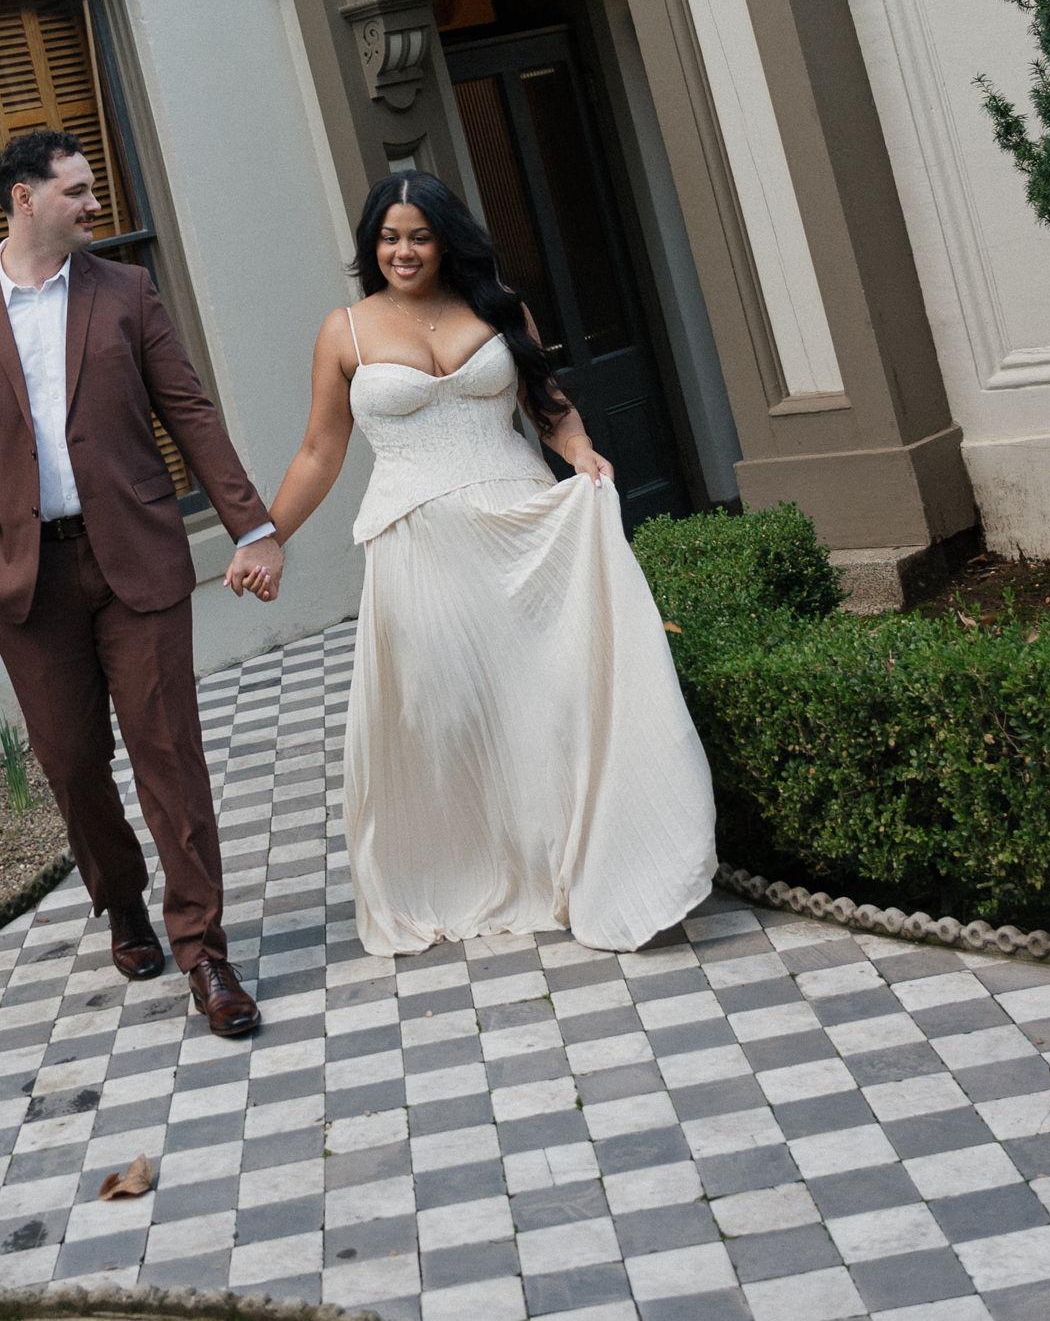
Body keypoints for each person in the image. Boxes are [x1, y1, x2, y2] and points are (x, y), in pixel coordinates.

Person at [232, 170, 715, 957]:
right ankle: (473, 866)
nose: (403, 252)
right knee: (445, 711)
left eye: (419, 236)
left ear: (445, 239)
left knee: (546, 698)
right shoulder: (345, 332)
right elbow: (319, 452)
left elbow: (548, 406)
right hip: (417, 544)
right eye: (389, 237)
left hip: (524, 530)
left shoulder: (498, 307)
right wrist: (267, 536)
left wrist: (581, 452)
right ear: (370, 245)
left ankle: (574, 862)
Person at [0, 129, 283, 1035]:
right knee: (73, 763)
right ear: (25, 198)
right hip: (25, 581)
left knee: (168, 754)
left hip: (135, 561)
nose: (93, 203)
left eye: (91, 189)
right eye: (76, 191)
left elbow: (188, 408)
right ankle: (120, 898)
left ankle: (204, 952)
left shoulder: (125, 292)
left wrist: (253, 525)